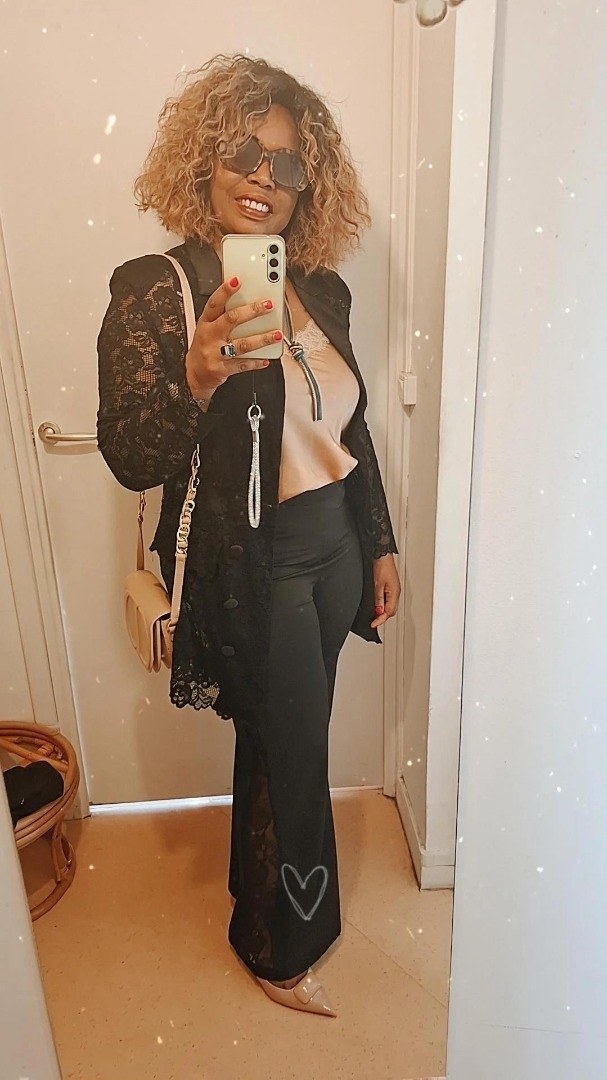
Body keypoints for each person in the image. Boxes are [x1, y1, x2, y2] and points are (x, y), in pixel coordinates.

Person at [97, 54, 400, 1017]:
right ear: (204, 160)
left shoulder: (324, 290)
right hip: (256, 563)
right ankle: (283, 946)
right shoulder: (157, 289)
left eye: (288, 163)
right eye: (243, 152)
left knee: (281, 740)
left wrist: (381, 542)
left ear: (311, 185)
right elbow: (131, 456)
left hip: (335, 547)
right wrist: (195, 377)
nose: (264, 177)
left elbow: (352, 431)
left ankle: (256, 895)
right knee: (295, 751)